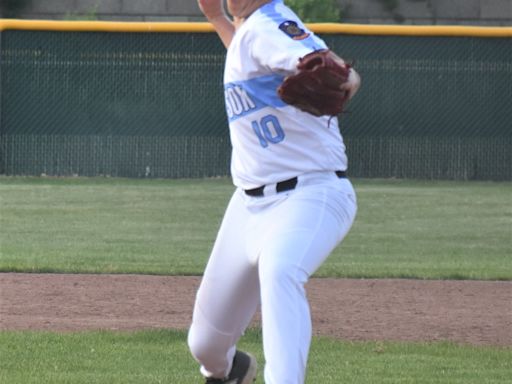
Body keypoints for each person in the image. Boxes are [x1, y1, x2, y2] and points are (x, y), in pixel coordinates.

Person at [188, 1, 361, 383]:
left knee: (281, 270)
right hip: (248, 206)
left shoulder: (273, 21)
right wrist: (218, 20)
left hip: (309, 193)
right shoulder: (251, 30)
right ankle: (232, 371)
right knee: (205, 346)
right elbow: (247, 52)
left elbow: (338, 73)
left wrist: (346, 82)